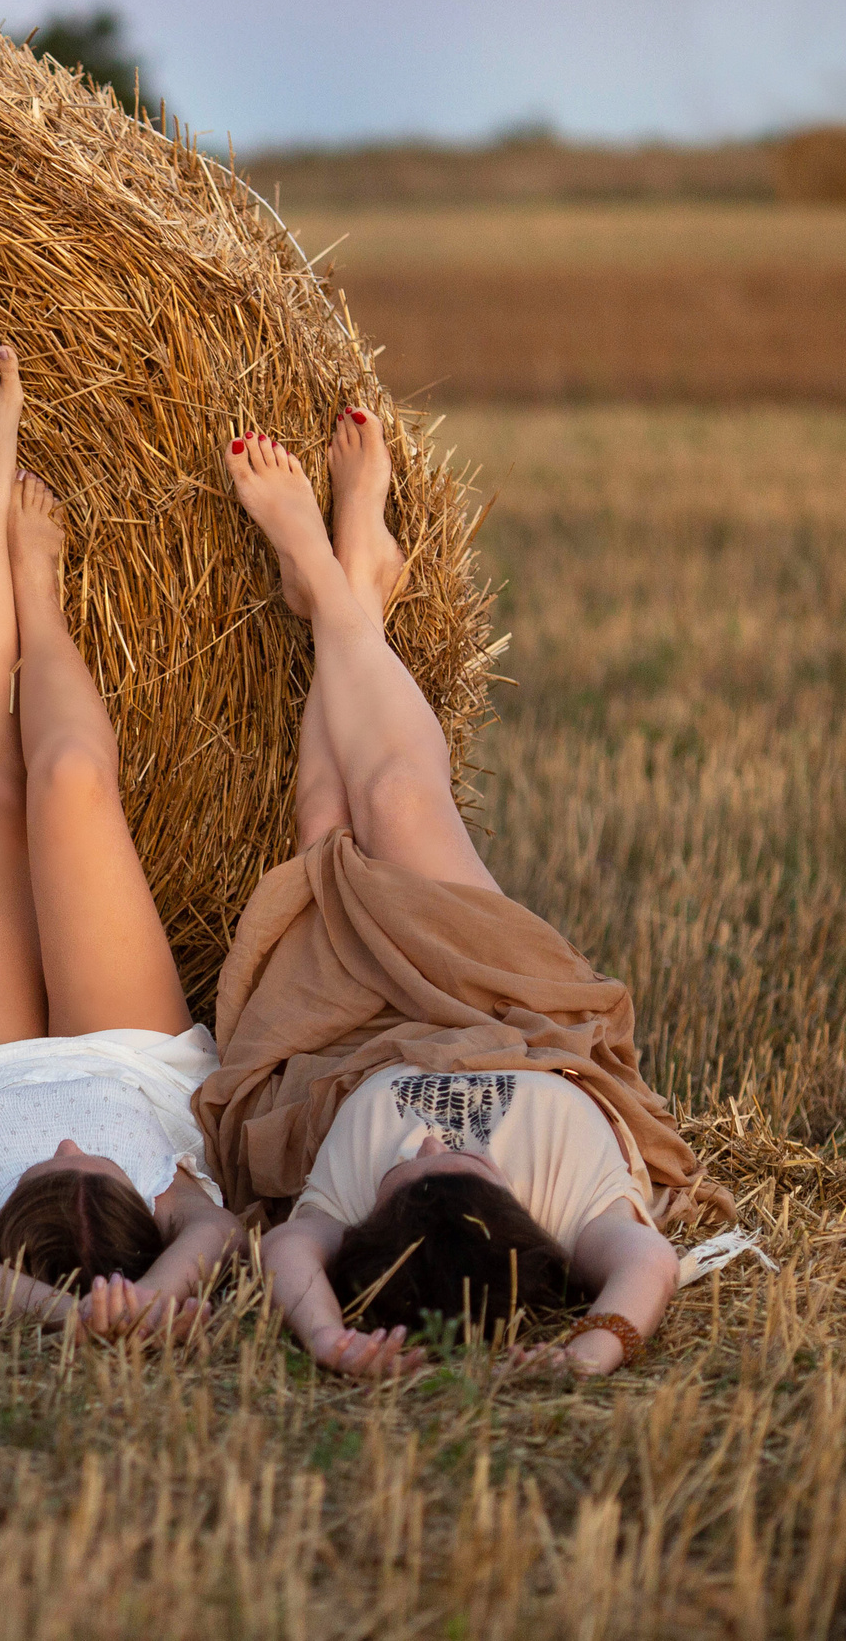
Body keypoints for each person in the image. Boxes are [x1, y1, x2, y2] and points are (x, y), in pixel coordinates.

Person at [199, 408, 726, 1380]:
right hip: (492, 998)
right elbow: (651, 1262)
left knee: (323, 830)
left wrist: (325, 1337)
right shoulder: (579, 1213)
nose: (435, 1140)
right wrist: (584, 1358)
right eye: (464, 1159)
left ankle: (351, 589)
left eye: (410, 1165)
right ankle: (326, 571)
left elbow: (287, 1252)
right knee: (397, 799)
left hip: (344, 1036)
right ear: (514, 1216)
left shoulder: (354, 1210)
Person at [0, 346, 243, 1341]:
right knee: (70, 784)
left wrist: (59, 1317)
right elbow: (221, 1242)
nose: (72, 1140)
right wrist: (150, 1304)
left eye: (53, 1165)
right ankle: (37, 592)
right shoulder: (178, 1215)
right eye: (96, 1164)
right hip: (128, 1057)